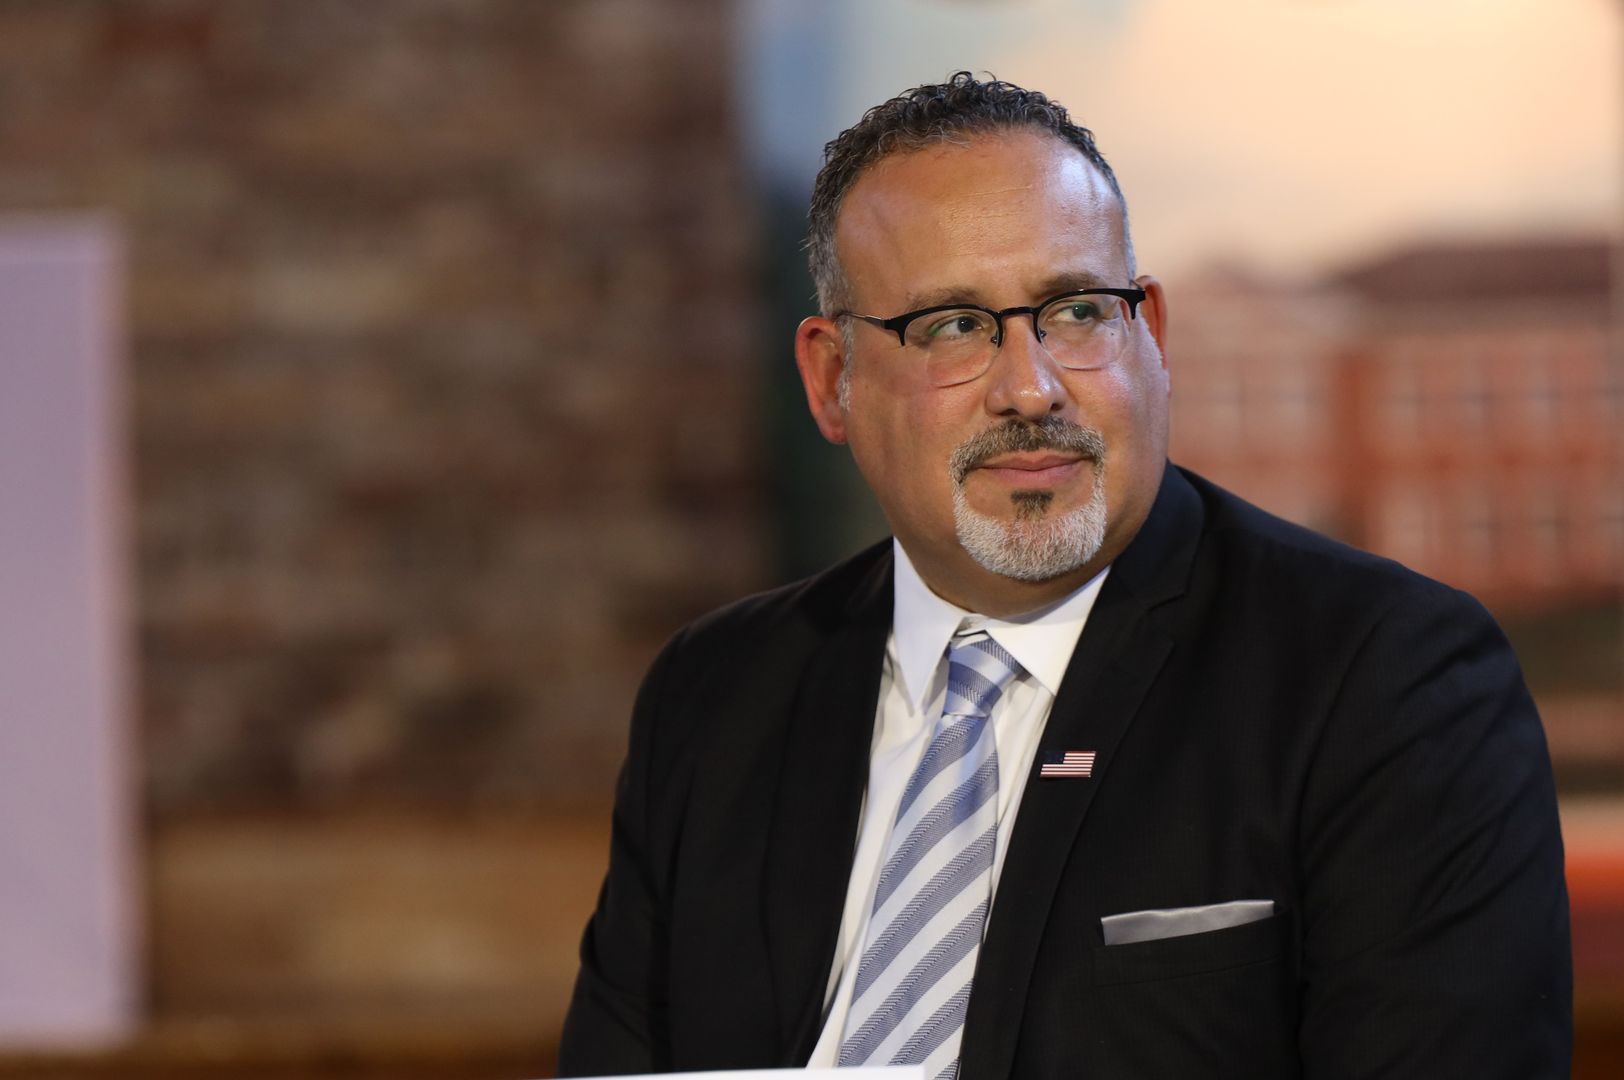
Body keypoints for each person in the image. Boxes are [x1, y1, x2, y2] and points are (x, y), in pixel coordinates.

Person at [557, 73, 1571, 1078]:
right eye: (952, 327)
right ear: (833, 380)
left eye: (1076, 311)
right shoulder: (716, 695)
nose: (1030, 386)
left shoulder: (1387, 678)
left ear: (1152, 337)